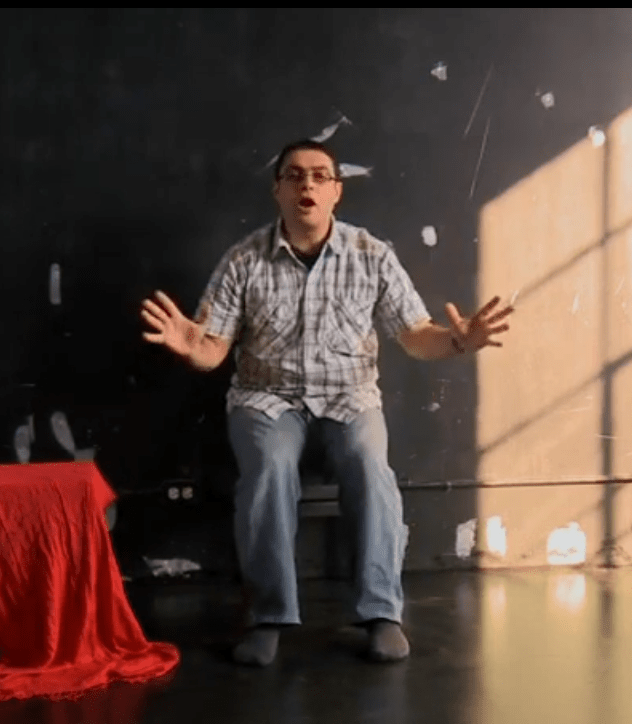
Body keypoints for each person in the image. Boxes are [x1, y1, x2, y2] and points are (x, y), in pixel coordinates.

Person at [140, 139, 513, 666]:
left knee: (369, 467)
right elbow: (212, 349)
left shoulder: (371, 255)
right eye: (294, 176)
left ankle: (381, 614)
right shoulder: (243, 260)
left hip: (350, 398)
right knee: (268, 469)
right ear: (278, 190)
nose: (307, 185)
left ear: (336, 191)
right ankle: (268, 617)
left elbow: (414, 335)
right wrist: (190, 347)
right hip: (266, 400)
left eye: (319, 176)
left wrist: (457, 341)